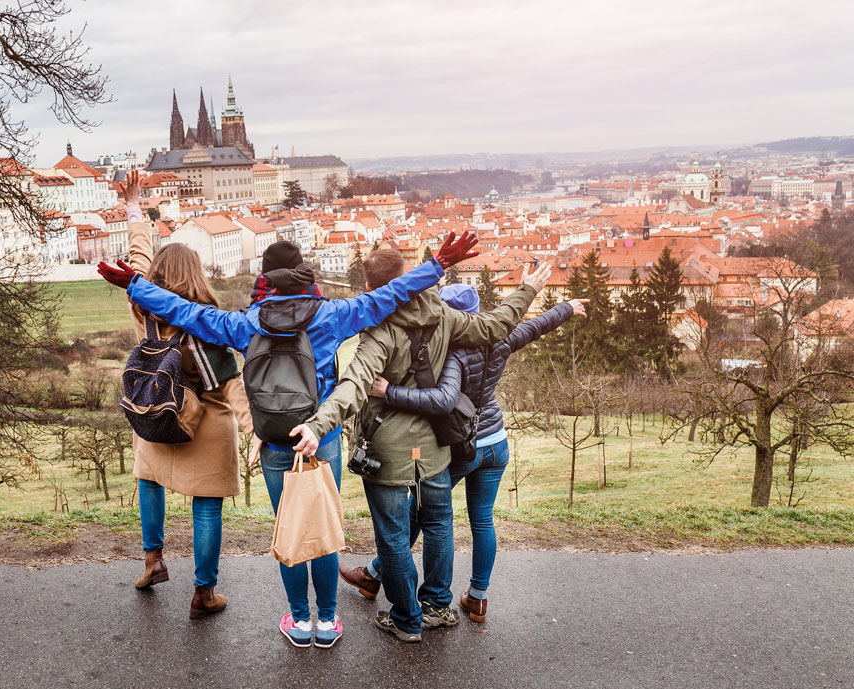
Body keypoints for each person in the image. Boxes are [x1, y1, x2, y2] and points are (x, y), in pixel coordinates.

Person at [98, 226, 480, 649]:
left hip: (276, 441)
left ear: (265, 280)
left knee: (292, 529)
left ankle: (300, 621)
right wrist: (438, 265)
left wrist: (135, 285)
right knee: (322, 526)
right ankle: (328, 620)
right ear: (302, 275)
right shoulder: (331, 316)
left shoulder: (244, 323)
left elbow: (185, 312)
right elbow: (387, 296)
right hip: (321, 436)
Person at [291, 249, 551, 642]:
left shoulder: (380, 330)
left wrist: (317, 424)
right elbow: (495, 326)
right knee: (439, 524)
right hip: (433, 447)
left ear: (370, 289)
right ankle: (436, 606)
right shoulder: (442, 315)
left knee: (394, 538)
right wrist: (527, 290)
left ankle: (407, 619)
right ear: (407, 276)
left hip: (388, 452)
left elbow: (353, 386)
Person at [339, 285, 587, 623]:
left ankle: (374, 576)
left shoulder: (449, 351)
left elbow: (441, 399)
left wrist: (389, 391)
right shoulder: (498, 340)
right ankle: (478, 598)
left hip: (461, 445)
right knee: (482, 520)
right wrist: (567, 308)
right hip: (495, 441)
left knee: (421, 514)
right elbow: (533, 327)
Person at [117, 172, 254, 620]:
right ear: (196, 275)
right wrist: (256, 433)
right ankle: (203, 592)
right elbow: (232, 384)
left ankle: (153, 559)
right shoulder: (207, 320)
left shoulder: (144, 306)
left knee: (148, 479)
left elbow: (138, 259)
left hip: (157, 409)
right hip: (207, 424)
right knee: (207, 509)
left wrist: (134, 208)